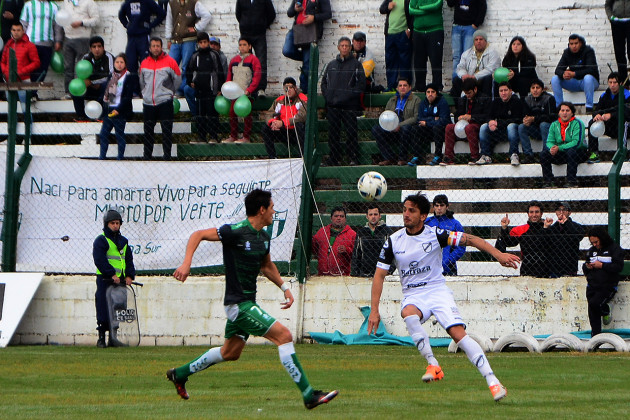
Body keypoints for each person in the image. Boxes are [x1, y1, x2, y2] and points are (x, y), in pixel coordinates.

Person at [168, 189, 339, 408]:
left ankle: (180, 374)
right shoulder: (235, 232)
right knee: (285, 336)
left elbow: (267, 266)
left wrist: (284, 287)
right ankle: (308, 395)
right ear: (262, 210)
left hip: (248, 303)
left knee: (230, 352)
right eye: (271, 207)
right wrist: (186, 263)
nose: (274, 211)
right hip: (238, 305)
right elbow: (197, 235)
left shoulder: (264, 238)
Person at [368, 193, 518, 402]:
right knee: (408, 314)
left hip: (437, 291)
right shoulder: (393, 241)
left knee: (458, 335)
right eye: (404, 210)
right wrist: (374, 310)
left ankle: (493, 382)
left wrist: (499, 255)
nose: (406, 214)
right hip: (413, 294)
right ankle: (433, 364)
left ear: (423, 215)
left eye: (412, 211)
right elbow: (379, 276)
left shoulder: (436, 234)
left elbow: (471, 239)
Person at [92, 209, 135, 348]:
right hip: (105, 280)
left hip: (120, 281)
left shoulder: (124, 242)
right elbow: (100, 260)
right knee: (103, 308)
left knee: (118, 308)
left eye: (117, 223)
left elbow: (128, 260)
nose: (115, 226)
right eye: (112, 223)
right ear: (107, 224)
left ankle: (113, 338)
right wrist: (111, 274)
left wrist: (129, 275)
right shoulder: (101, 240)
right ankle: (101, 339)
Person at [321, 36, 366, 166]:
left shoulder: (356, 64)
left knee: (351, 133)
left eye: (347, 46)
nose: (345, 48)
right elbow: (324, 83)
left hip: (349, 106)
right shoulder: (331, 65)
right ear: (338, 47)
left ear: (350, 47)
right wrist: (328, 96)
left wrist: (347, 97)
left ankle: (353, 158)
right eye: (342, 46)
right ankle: (334, 158)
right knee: (333, 134)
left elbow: (361, 85)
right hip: (333, 106)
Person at [139, 37, 181, 160]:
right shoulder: (144, 63)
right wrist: (145, 93)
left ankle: (167, 157)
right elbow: (141, 81)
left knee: (167, 132)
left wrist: (169, 92)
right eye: (153, 46)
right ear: (150, 48)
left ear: (161, 47)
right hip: (148, 103)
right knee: (148, 133)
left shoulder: (171, 62)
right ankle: (147, 157)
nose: (156, 48)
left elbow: (177, 79)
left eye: (158, 46)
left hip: (164, 102)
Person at [583, 226, 625, 337]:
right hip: (592, 285)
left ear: (602, 238)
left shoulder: (614, 249)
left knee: (594, 303)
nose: (595, 245)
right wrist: (588, 267)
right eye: (592, 243)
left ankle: (606, 309)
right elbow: (585, 268)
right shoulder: (591, 251)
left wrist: (602, 265)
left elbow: (618, 267)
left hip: (607, 285)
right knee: (592, 311)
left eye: (596, 242)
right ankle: (595, 336)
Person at [118, 0, 166, 96]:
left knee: (146, 64)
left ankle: (147, 89)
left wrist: (150, 25)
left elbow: (161, 13)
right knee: (131, 65)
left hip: (143, 37)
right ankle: (135, 91)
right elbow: (121, 15)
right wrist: (128, 25)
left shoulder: (147, 2)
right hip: (131, 37)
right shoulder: (127, 2)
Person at [282, 0, 331, 94]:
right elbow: (289, 13)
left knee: (307, 66)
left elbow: (328, 14)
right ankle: (308, 59)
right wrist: (295, 9)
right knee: (287, 50)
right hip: (297, 30)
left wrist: (314, 17)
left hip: (310, 32)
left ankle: (304, 92)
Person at [165, 0, 211, 96]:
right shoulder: (172, 3)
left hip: (189, 40)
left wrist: (196, 28)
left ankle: (182, 90)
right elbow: (169, 21)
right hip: (175, 40)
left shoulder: (194, 3)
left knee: (186, 66)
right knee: (170, 66)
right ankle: (169, 89)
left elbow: (207, 16)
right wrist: (169, 38)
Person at [185, 31, 225, 144]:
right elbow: (189, 69)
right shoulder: (195, 55)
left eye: (205, 42)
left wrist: (220, 88)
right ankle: (201, 137)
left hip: (212, 91)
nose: (203, 44)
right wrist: (190, 82)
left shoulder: (214, 55)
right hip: (199, 91)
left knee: (212, 114)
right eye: (201, 42)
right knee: (200, 115)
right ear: (198, 43)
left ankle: (213, 136)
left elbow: (220, 71)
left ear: (208, 42)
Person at [372, 77, 420, 166]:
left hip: (404, 130)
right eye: (400, 86)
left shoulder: (416, 100)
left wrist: (399, 125)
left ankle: (402, 158)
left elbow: (415, 118)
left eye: (405, 85)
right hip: (391, 130)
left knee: (406, 128)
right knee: (376, 129)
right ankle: (389, 157)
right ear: (397, 88)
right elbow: (386, 115)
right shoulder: (392, 100)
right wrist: (390, 126)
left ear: (409, 87)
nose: (402, 87)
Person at [496, 200, 551, 278]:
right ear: (528, 214)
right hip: (527, 268)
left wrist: (546, 228)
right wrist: (504, 228)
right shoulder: (522, 229)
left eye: (537, 212)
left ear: (541, 213)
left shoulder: (548, 228)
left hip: (547, 269)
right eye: (531, 212)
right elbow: (509, 243)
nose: (534, 215)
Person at [20, 0, 62, 100]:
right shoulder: (29, 5)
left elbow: (58, 26)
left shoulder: (54, 6)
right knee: (30, 69)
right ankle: (29, 93)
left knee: (42, 70)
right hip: (31, 43)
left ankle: (34, 92)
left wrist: (58, 41)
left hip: (47, 43)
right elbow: (23, 24)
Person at [440, 78, 488, 165]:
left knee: (469, 127)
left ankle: (475, 156)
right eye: (466, 93)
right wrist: (459, 117)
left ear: (475, 89)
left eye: (469, 93)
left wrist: (472, 117)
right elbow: (456, 116)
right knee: (449, 127)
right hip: (461, 127)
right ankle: (448, 157)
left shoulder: (484, 99)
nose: (468, 95)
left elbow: (487, 116)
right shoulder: (463, 100)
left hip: (477, 127)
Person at [539, 101, 587, 187]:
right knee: (544, 154)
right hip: (560, 153)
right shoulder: (554, 124)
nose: (564, 113)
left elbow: (577, 143)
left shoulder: (578, 123)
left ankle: (571, 181)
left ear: (572, 113)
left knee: (572, 152)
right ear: (559, 112)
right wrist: (552, 148)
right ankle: (548, 182)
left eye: (567, 111)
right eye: (562, 110)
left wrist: (559, 148)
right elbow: (549, 141)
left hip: (578, 153)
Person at [477, 81, 524, 166]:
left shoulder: (516, 102)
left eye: (505, 90)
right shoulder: (496, 102)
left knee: (511, 126)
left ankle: (514, 155)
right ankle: (485, 155)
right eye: (501, 91)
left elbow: (517, 119)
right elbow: (488, 116)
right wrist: (490, 122)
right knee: (484, 127)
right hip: (498, 132)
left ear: (510, 91)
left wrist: (498, 123)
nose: (503, 93)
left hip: (512, 133)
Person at [58, 0, 99, 99]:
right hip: (68, 38)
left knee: (82, 67)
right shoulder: (66, 2)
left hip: (82, 38)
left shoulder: (89, 2)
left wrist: (81, 23)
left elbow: (96, 20)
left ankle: (82, 91)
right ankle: (68, 92)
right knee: (68, 66)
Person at [586, 72, 630, 163]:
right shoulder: (604, 95)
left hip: (623, 126)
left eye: (615, 82)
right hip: (609, 126)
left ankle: (621, 153)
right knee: (592, 122)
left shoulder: (627, 95)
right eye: (610, 82)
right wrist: (597, 115)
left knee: (624, 122)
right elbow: (597, 110)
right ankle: (594, 153)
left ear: (621, 83)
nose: (612, 85)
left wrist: (611, 115)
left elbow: (627, 112)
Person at [225, 37, 261, 144]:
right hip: (235, 93)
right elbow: (229, 76)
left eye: (244, 45)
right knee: (232, 113)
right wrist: (228, 88)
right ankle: (233, 135)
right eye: (240, 45)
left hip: (247, 93)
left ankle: (246, 137)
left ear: (250, 46)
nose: (242, 47)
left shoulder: (254, 60)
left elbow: (257, 76)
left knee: (246, 114)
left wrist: (250, 90)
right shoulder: (234, 60)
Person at [551, 34, 600, 112]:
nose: (574, 46)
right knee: (555, 79)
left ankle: (589, 107)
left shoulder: (588, 51)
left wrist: (574, 74)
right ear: (569, 44)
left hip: (590, 83)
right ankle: (559, 107)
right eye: (571, 44)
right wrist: (563, 74)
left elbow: (591, 69)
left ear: (580, 43)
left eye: (576, 43)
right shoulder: (567, 52)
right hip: (575, 82)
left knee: (588, 77)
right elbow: (558, 70)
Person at [235, 0, 275, 95]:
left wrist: (263, 25)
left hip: (259, 35)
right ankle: (247, 88)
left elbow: (271, 14)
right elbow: (238, 14)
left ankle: (261, 89)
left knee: (261, 62)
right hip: (245, 34)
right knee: (246, 62)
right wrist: (244, 24)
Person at [262, 76, 307, 159]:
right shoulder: (279, 100)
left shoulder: (302, 99)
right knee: (266, 128)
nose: (288, 90)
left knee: (300, 126)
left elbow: (302, 116)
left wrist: (283, 122)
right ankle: (272, 157)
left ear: (295, 88)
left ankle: (302, 156)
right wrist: (272, 122)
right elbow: (269, 113)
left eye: (291, 87)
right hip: (283, 131)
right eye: (286, 88)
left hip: (296, 132)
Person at [99, 53, 133, 160]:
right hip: (109, 108)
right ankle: (102, 156)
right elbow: (106, 93)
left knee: (119, 135)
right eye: (117, 62)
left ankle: (120, 157)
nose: (119, 64)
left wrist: (118, 109)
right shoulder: (111, 76)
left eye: (121, 62)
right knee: (103, 134)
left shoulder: (128, 76)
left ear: (125, 64)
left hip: (120, 110)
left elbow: (128, 97)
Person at [72, 36, 114, 121]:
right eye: (94, 47)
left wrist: (92, 82)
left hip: (102, 87)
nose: (97, 49)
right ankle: (81, 117)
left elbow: (110, 76)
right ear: (90, 48)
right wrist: (87, 83)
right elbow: (80, 74)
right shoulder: (86, 58)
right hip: (90, 88)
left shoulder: (108, 57)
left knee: (107, 86)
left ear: (103, 47)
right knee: (76, 88)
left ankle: (103, 116)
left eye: (99, 46)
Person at [408, 83, 450, 166]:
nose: (430, 94)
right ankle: (417, 157)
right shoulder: (423, 103)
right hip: (428, 131)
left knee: (437, 127)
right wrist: (434, 119)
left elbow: (443, 120)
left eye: (432, 92)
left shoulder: (442, 102)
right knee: (415, 129)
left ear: (436, 93)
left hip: (440, 131)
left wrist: (427, 122)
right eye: (428, 92)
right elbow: (420, 119)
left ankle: (438, 156)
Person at [1, 22, 40, 109]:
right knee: (11, 108)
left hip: (23, 80)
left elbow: (36, 62)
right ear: (11, 31)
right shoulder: (8, 45)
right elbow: (2, 61)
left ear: (23, 31)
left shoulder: (29, 45)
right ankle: (13, 123)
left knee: (25, 107)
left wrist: (21, 72)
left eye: (18, 30)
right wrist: (6, 72)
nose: (16, 32)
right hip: (9, 80)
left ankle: (28, 123)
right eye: (14, 30)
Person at [451, 29, 499, 98]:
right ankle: (460, 105)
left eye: (481, 39)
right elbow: (460, 67)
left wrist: (475, 76)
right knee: (456, 80)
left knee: (487, 79)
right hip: (469, 80)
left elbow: (490, 69)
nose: (478, 41)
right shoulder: (467, 53)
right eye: (476, 40)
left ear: (485, 41)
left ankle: (486, 103)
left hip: (482, 80)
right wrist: (464, 75)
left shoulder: (493, 53)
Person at [425, 194, 465, 275]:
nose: (439, 208)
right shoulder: (427, 222)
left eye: (442, 205)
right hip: (429, 265)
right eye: (436, 206)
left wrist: (448, 260)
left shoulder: (455, 224)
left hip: (448, 267)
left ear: (447, 207)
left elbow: (461, 246)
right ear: (433, 207)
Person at [446, 0, 486, 81]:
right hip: (457, 26)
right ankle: (456, 83)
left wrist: (476, 24)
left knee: (467, 56)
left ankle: (466, 83)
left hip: (469, 27)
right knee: (456, 56)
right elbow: (450, 3)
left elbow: (483, 7)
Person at [409, 0, 444, 92]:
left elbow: (436, 5)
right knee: (418, 61)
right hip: (418, 31)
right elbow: (411, 9)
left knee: (435, 60)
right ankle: (420, 86)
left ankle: (437, 86)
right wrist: (427, 9)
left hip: (435, 30)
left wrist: (420, 8)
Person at [518, 79, 557, 162]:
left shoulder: (549, 99)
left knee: (543, 124)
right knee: (521, 127)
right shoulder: (527, 100)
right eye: (533, 88)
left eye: (537, 88)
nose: (535, 90)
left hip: (549, 130)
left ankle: (546, 153)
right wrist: (526, 120)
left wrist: (534, 119)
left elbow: (552, 117)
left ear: (542, 89)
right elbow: (524, 115)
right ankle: (528, 155)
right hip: (534, 129)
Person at [350, 204, 394, 277]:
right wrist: (355, 273)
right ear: (367, 217)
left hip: (382, 274)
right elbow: (356, 255)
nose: (373, 217)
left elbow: (393, 253)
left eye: (375, 214)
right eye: (370, 214)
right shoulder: (361, 232)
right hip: (364, 274)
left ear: (380, 216)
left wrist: (389, 271)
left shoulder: (387, 231)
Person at [312, 206, 356, 276]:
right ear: (331, 218)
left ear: (345, 219)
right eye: (336, 216)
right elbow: (314, 249)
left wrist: (346, 250)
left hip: (342, 275)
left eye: (341, 216)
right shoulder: (322, 231)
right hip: (322, 275)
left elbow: (356, 254)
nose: (339, 218)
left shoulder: (352, 234)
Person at [379, 0, 412, 91]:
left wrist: (409, 29)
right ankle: (391, 86)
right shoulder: (390, 0)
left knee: (404, 61)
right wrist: (388, 7)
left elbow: (413, 15)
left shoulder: (408, 1)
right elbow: (381, 9)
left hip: (403, 34)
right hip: (390, 34)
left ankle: (405, 87)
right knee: (390, 61)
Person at [548, 202, 584, 277]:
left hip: (570, 267)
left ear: (569, 212)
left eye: (564, 210)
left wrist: (566, 223)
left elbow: (579, 236)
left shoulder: (576, 227)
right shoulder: (552, 228)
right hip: (554, 268)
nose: (561, 212)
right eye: (558, 210)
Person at [606, 0, 630, 83]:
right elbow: (608, 5)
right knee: (619, 52)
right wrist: (611, 17)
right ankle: (624, 81)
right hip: (617, 23)